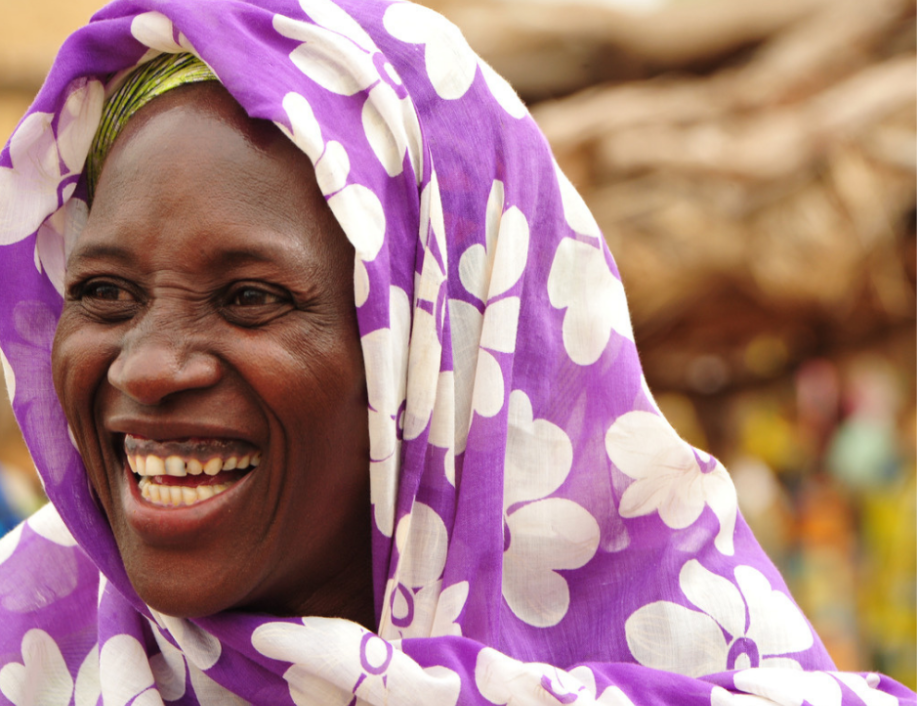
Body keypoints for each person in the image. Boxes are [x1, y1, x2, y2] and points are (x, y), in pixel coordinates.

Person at [0, 0, 912, 703]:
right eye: (105, 295)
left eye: (249, 299)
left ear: (436, 362)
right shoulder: (33, 644)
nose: (147, 368)